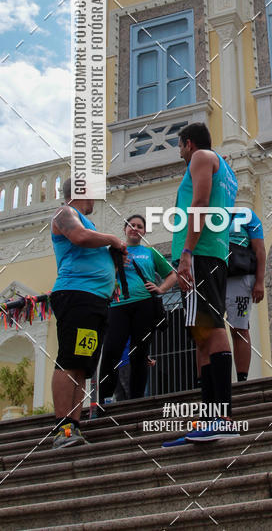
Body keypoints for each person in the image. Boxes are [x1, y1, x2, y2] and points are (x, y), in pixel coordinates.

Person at [171, 122, 239, 442]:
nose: (181, 152)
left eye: (180, 146)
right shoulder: (227, 169)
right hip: (212, 254)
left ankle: (222, 415)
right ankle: (209, 415)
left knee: (210, 330)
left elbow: (199, 204)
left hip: (201, 254)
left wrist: (186, 251)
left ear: (188, 143)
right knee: (201, 335)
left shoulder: (201, 158)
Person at [49, 178, 126, 449]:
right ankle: (62, 428)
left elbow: (88, 242)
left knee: (83, 364)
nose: (96, 199)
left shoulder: (87, 223)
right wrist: (112, 239)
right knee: (70, 360)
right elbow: (79, 237)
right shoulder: (65, 213)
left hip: (95, 301)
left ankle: (73, 426)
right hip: (76, 295)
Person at [98, 214, 177, 404]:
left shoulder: (150, 253)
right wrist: (116, 269)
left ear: (144, 231)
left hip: (144, 306)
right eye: (131, 225)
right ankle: (104, 399)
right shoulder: (113, 252)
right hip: (118, 306)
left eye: (139, 226)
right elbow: (100, 276)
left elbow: (172, 275)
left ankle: (137, 401)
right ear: (125, 229)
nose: (135, 228)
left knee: (139, 352)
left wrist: (161, 289)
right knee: (111, 351)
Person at [225, 209, 266, 381]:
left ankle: (242, 379)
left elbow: (260, 250)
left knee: (239, 328)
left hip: (241, 279)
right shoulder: (208, 213)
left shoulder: (245, 214)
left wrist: (259, 281)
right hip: (214, 277)